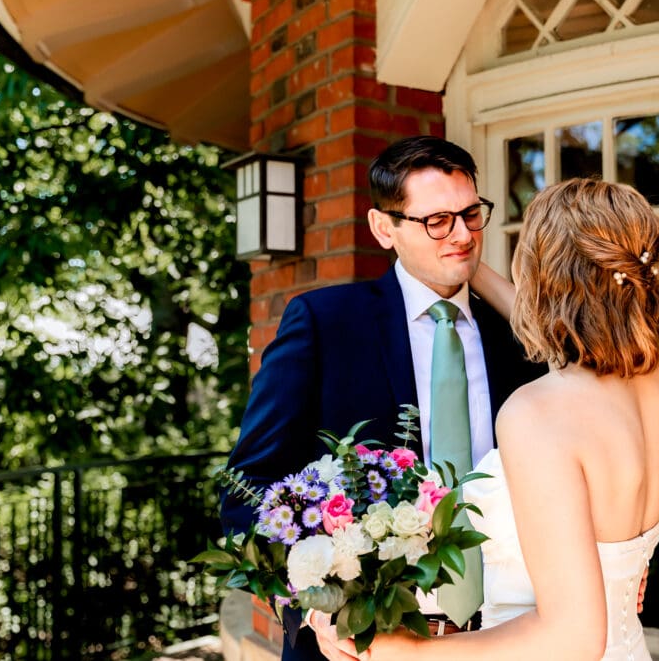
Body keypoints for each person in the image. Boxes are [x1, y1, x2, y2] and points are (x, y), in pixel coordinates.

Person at [312, 177, 659, 661]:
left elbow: (571, 638)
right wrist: (462, 260)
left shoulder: (537, 412)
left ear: (545, 271)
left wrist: (396, 651)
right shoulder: (651, 380)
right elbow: (552, 334)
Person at [220, 135, 546, 661]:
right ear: (383, 228)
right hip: (357, 647)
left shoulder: (524, 338)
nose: (461, 234)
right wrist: (317, 603)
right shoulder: (325, 325)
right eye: (437, 220)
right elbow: (247, 493)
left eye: (470, 213)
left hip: (509, 634)